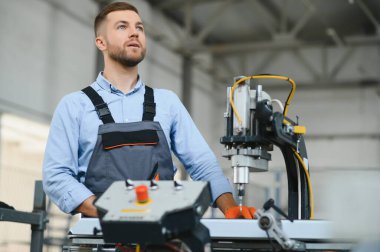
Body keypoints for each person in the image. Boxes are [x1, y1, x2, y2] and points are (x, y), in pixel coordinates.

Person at [43, 1, 254, 219]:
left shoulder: (167, 102)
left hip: (163, 237)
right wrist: (107, 209)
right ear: (101, 42)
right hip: (99, 237)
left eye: (139, 28)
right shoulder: (74, 106)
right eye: (122, 27)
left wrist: (230, 209)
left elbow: (202, 164)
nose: (134, 33)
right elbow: (57, 176)